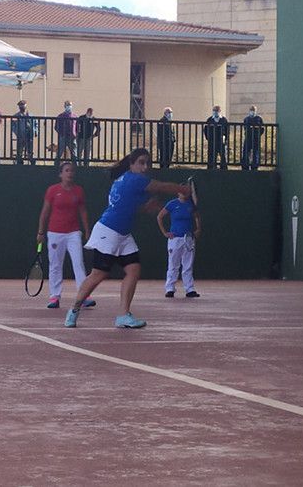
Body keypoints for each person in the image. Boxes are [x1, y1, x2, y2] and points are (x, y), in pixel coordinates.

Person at [64, 148, 190, 329]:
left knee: (133, 270)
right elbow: (162, 187)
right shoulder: (134, 179)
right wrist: (182, 189)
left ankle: (123, 315)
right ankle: (74, 310)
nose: (145, 166)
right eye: (141, 162)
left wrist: (147, 208)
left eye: (148, 163)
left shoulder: (123, 180)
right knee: (98, 274)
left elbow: (128, 207)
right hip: (109, 231)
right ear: (131, 164)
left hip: (122, 234)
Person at [36, 162, 95, 309]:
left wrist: (87, 230)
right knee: (55, 265)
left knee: (78, 263)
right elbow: (45, 212)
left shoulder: (78, 191)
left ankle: (84, 295)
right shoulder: (52, 190)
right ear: (60, 174)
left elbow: (83, 211)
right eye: (67, 171)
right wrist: (41, 232)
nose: (70, 173)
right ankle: (54, 296)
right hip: (55, 233)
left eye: (72, 171)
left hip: (73, 233)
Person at [157, 190, 202, 298]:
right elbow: (159, 217)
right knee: (173, 264)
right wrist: (164, 232)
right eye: (181, 191)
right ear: (178, 193)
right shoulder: (172, 204)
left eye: (185, 191)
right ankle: (170, 289)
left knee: (188, 265)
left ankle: (190, 289)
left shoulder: (191, 205)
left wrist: (198, 229)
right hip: (175, 239)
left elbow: (197, 217)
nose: (183, 193)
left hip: (188, 238)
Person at [11, 100, 38, 165]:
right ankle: (19, 161)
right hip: (21, 135)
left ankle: (31, 161)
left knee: (30, 149)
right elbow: (13, 125)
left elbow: (35, 123)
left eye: (23, 105)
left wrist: (35, 131)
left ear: (26, 106)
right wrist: (17, 132)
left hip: (29, 134)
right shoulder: (16, 116)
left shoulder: (30, 115)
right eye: (20, 105)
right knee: (20, 149)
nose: (22, 106)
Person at [203, 105, 229, 170]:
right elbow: (205, 130)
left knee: (222, 155)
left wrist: (225, 139)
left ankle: (223, 168)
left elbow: (227, 130)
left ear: (220, 111)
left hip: (221, 140)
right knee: (211, 155)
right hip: (212, 140)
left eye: (217, 111)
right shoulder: (209, 120)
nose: (215, 112)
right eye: (214, 111)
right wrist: (208, 138)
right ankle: (211, 168)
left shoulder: (223, 120)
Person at [54, 100, 78, 166]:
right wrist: (61, 133)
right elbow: (56, 127)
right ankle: (54, 168)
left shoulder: (75, 116)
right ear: (64, 106)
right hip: (63, 137)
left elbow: (78, 127)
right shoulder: (60, 116)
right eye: (67, 105)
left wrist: (75, 134)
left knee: (74, 155)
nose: (69, 106)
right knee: (59, 153)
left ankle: (77, 168)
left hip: (72, 137)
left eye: (70, 105)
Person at [241, 105, 264, 171]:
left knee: (255, 152)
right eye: (251, 110)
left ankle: (254, 166)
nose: (252, 112)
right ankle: (245, 166)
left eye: (254, 110)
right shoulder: (246, 119)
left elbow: (262, 129)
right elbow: (245, 128)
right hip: (248, 137)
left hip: (256, 138)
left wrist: (258, 135)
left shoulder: (259, 119)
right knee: (246, 152)